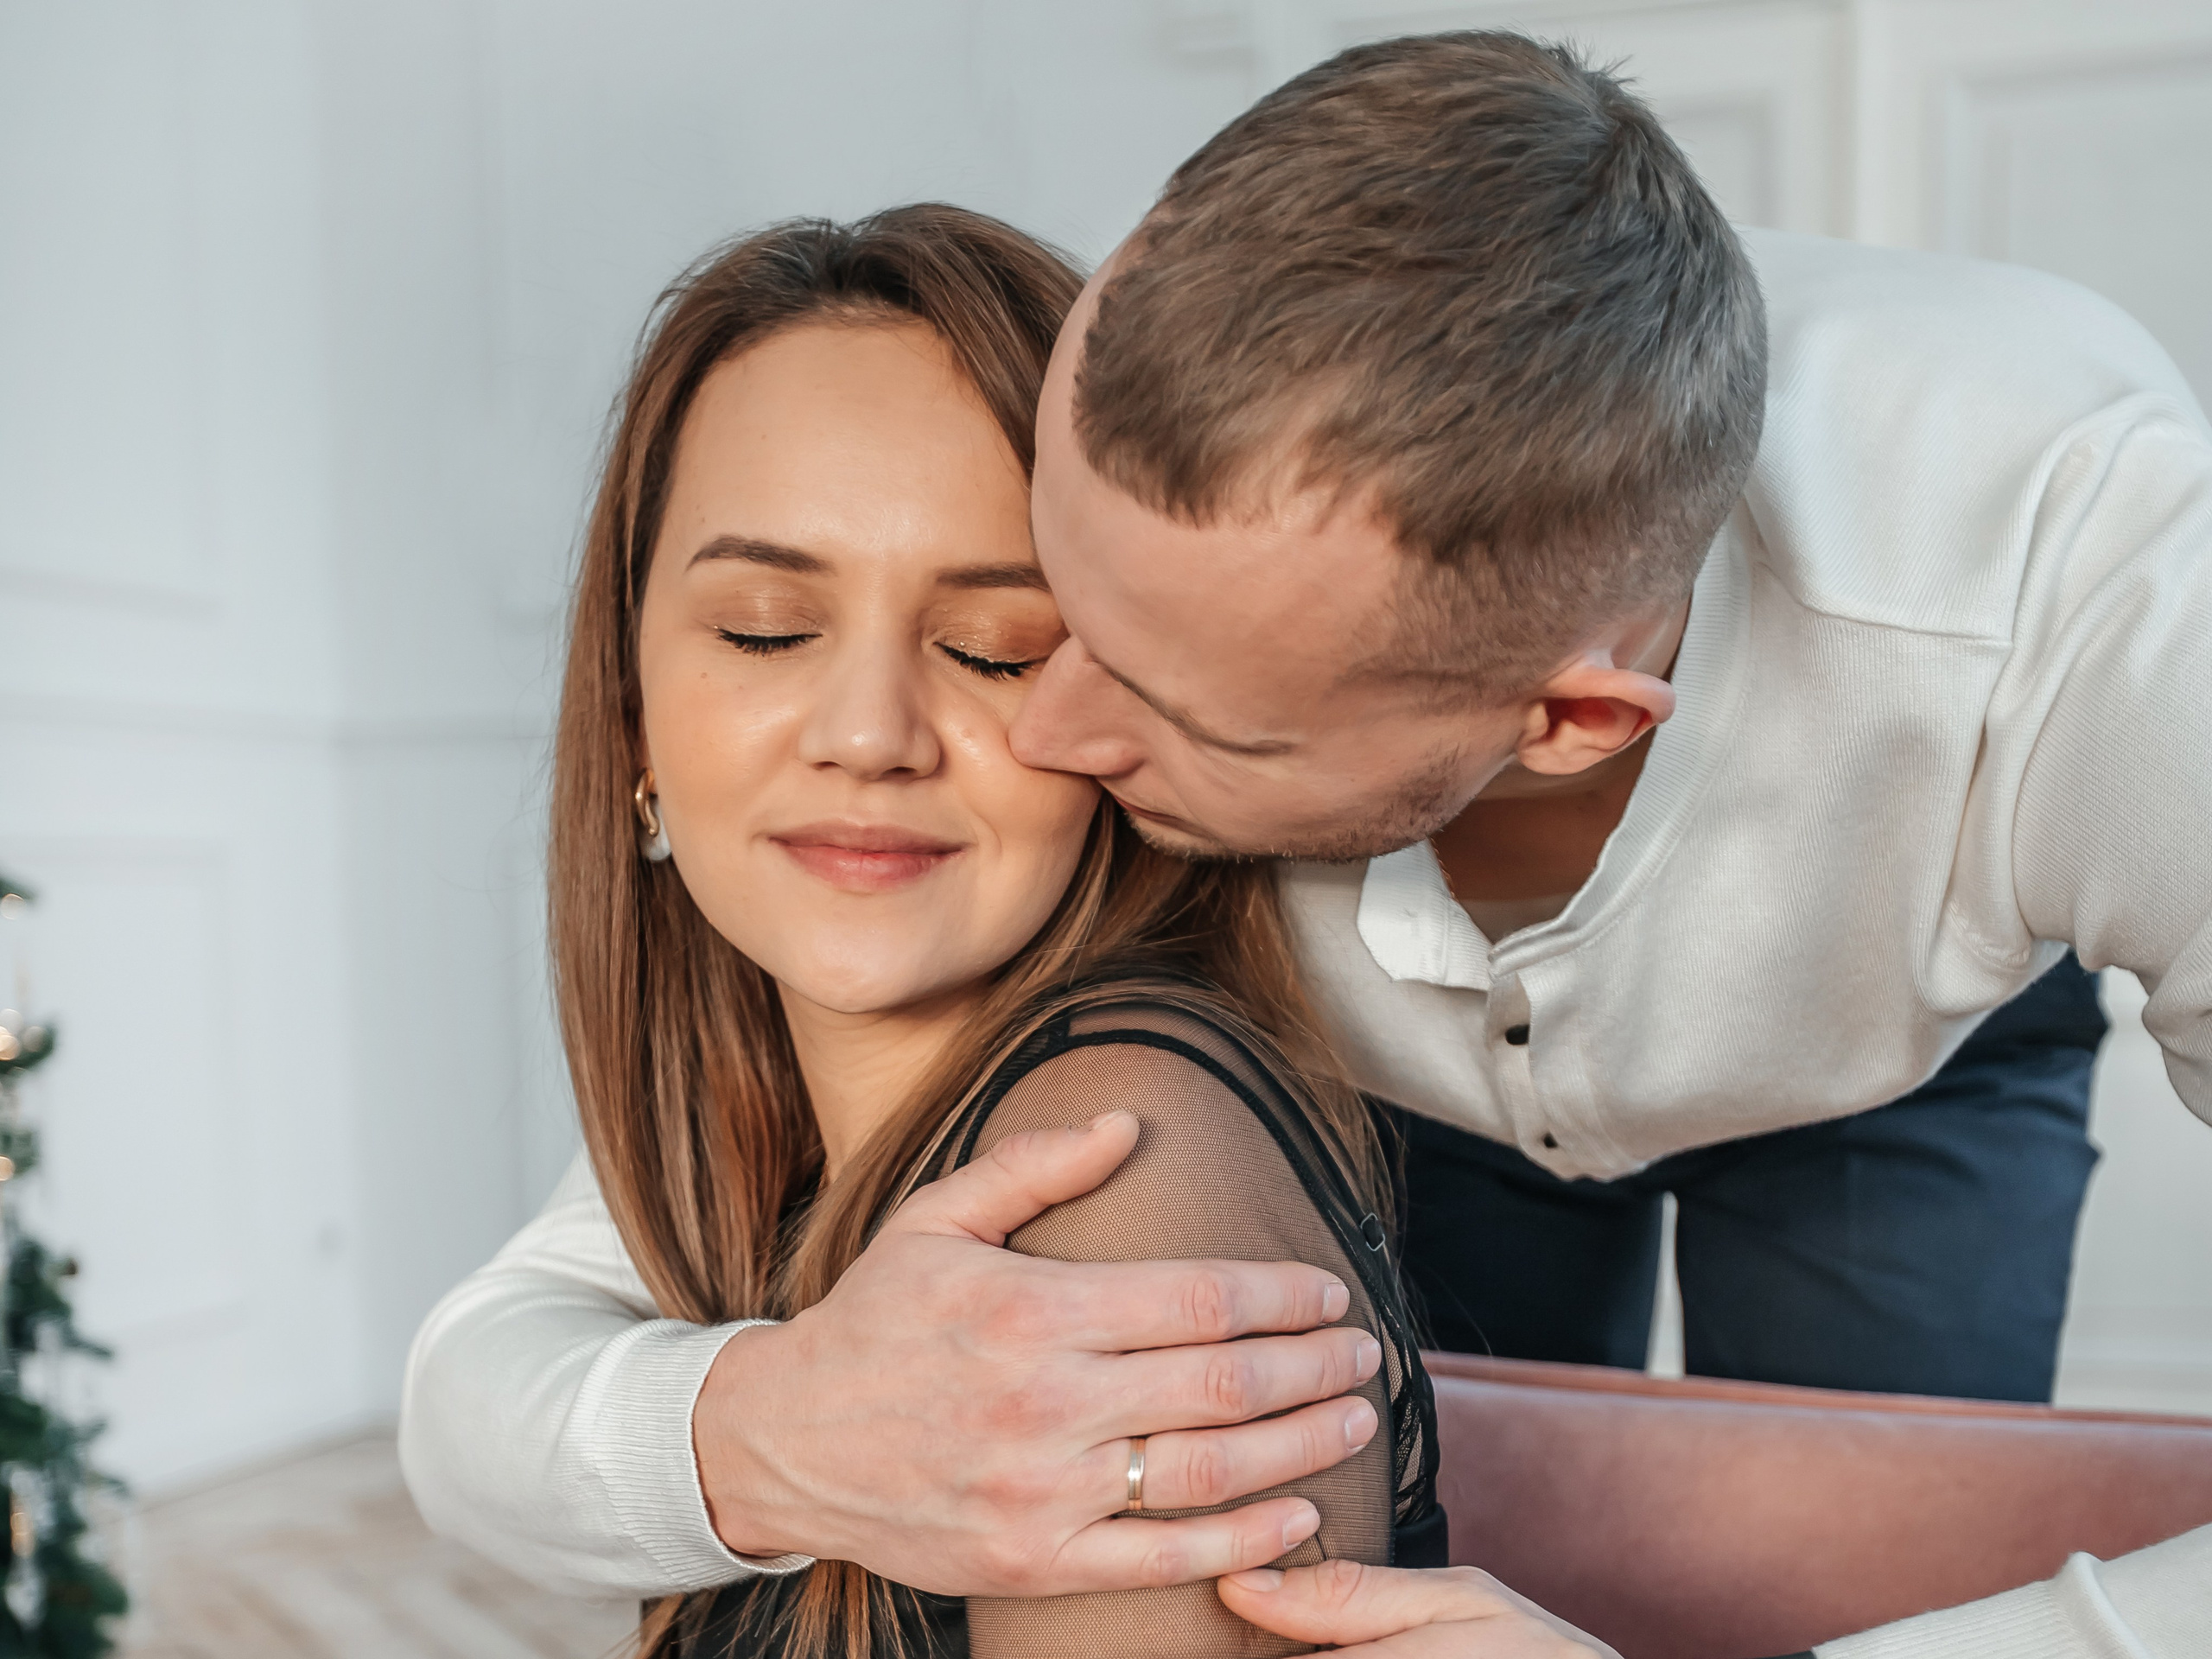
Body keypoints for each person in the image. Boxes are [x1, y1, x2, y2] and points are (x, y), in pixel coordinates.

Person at [406, 30, 2212, 1658]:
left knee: (1884, 1559)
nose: (1026, 734)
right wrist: (759, 1430)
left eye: (1158, 699)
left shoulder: (2103, 622)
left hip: (1888, 1066)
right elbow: (516, 1353)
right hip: (1384, 1091)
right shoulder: (1189, 428)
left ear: (1562, 722)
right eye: (1044, 611)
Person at [408, 201, 1482, 1658]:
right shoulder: (756, 1117)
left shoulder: (1115, 1163)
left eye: (993, 648)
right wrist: (758, 1433)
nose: (868, 735)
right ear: (633, 716)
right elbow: (472, 1386)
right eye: (768, 629)